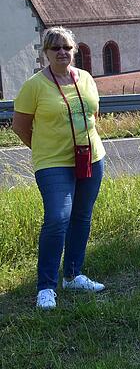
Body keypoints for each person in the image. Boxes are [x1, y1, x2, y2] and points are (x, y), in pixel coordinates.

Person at [12, 27, 107, 309]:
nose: (62, 52)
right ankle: (45, 287)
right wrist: (43, 149)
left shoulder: (86, 79)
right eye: (55, 48)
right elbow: (20, 126)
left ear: (74, 50)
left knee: (81, 216)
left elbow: (93, 114)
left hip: (90, 156)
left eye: (67, 47)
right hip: (53, 162)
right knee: (57, 218)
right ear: (46, 53)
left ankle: (74, 275)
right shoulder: (34, 86)